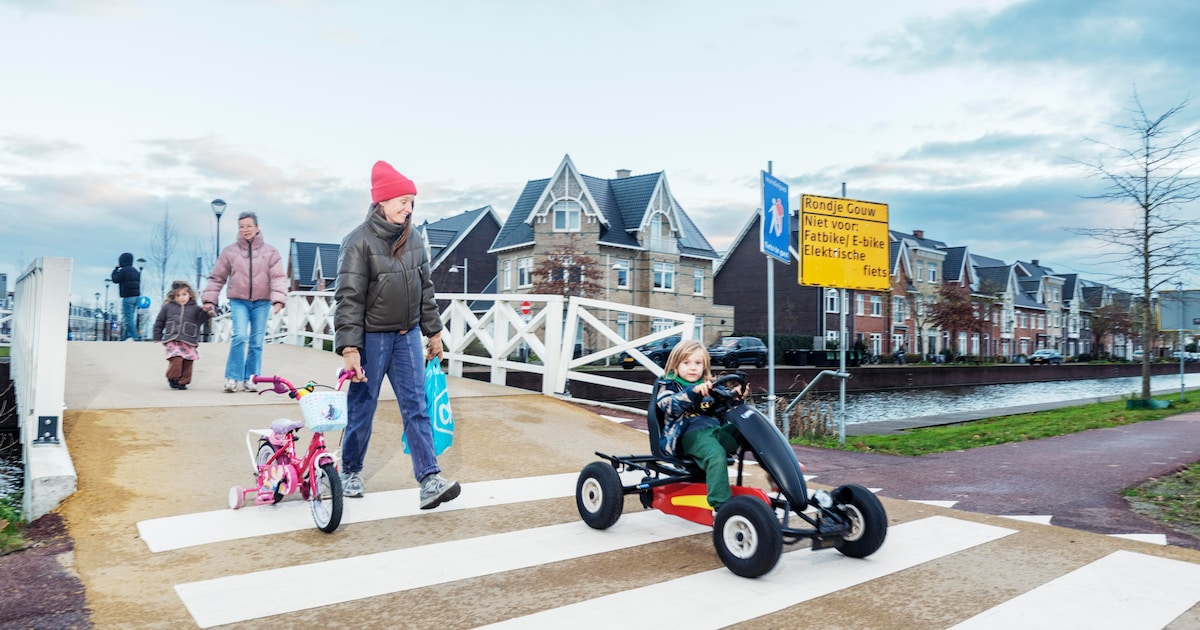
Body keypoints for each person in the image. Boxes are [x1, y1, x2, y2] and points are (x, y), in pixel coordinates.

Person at [334, 160, 460, 510]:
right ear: (382, 202)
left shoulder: (414, 239)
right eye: (403, 200)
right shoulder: (357, 242)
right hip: (372, 339)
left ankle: (429, 479)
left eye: (411, 202)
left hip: (407, 337)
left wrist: (434, 332)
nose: (409, 208)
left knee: (416, 407)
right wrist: (349, 349)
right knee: (362, 408)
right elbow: (348, 298)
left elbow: (426, 289)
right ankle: (349, 471)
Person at [201, 212, 288, 393]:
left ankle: (251, 378)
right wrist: (210, 299)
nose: (245, 230)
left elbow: (278, 277)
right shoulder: (230, 252)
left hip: (262, 302)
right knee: (240, 337)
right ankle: (232, 377)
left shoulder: (271, 252)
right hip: (239, 301)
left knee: (256, 342)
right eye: (241, 226)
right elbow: (217, 277)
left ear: (257, 228)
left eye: (249, 226)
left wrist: (278, 299)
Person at [656, 340, 746, 514]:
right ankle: (721, 507)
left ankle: (776, 476)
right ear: (675, 365)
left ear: (704, 366)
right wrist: (693, 391)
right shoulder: (668, 386)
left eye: (698, 363)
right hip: (690, 435)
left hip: (715, 432)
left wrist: (735, 397)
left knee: (749, 427)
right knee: (716, 455)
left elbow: (723, 408)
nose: (692, 368)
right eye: (686, 363)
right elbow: (668, 405)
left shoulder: (711, 386)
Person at [153, 281, 212, 390]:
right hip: (173, 339)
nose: (181, 298)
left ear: (190, 294)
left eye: (184, 294)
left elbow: (202, 319)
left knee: (188, 362)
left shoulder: (196, 308)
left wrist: (207, 312)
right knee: (177, 358)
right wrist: (157, 335)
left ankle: (183, 381)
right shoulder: (168, 307)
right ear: (173, 296)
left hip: (189, 340)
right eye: (178, 295)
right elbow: (160, 321)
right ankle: (173, 377)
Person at [111, 253, 142, 341]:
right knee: (130, 318)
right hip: (136, 297)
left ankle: (135, 338)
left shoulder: (124, 271)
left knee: (128, 319)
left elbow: (115, 279)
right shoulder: (136, 271)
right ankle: (125, 337)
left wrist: (116, 269)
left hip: (128, 297)